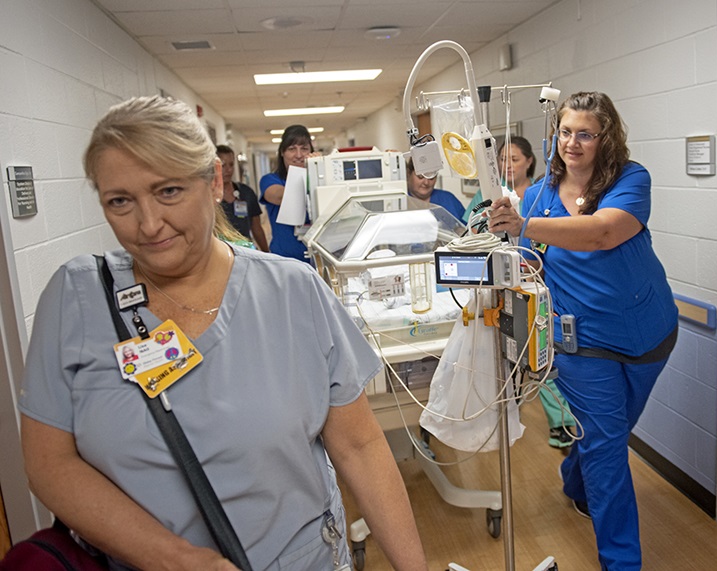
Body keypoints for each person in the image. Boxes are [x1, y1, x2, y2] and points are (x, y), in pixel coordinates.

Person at [18, 95, 427, 571]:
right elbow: (49, 463)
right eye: (120, 201)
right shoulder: (76, 299)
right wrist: (175, 559)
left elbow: (359, 446)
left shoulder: (291, 292)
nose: (148, 225)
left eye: (168, 191)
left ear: (214, 181)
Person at [488, 92, 678, 571]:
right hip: (584, 344)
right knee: (610, 451)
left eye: (586, 133)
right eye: (566, 132)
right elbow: (533, 269)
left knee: (605, 438)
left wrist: (526, 224)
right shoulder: (536, 197)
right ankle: (622, 563)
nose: (572, 143)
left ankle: (574, 479)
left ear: (604, 138)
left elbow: (602, 233)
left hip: (650, 334)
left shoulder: (630, 180)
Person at [464, 136, 576, 448]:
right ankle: (506, 412)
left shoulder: (544, 193)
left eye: (513, 158)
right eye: (502, 159)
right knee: (514, 353)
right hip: (505, 280)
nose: (506, 164)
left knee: (543, 353)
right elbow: (469, 231)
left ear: (529, 160)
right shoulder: (489, 195)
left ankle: (563, 422)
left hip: (544, 280)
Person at [259, 125, 315, 263]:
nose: (299, 155)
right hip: (285, 261)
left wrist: (320, 168)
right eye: (291, 149)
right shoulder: (270, 180)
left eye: (304, 149)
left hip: (318, 259)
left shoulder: (321, 180)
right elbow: (280, 196)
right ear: (282, 152)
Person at [216, 144, 269, 251]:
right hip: (221, 252)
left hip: (247, 250)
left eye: (231, 165)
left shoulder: (246, 193)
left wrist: (266, 253)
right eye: (223, 165)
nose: (228, 170)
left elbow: (256, 228)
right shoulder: (208, 196)